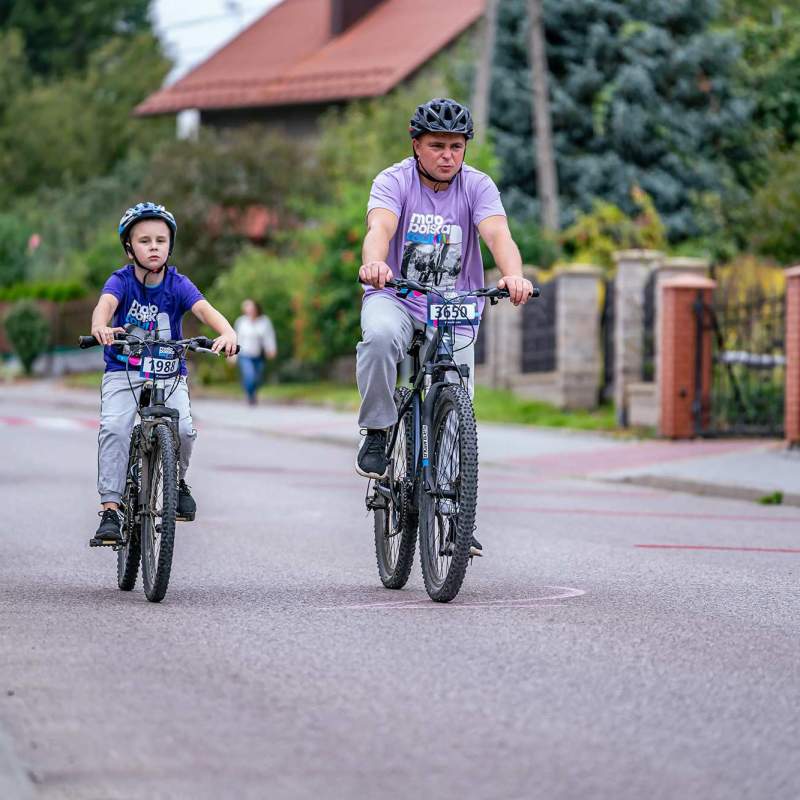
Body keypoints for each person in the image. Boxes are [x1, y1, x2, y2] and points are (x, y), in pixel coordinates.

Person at [355, 98, 535, 555]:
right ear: (416, 145)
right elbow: (380, 227)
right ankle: (378, 430)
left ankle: (456, 516)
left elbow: (499, 235)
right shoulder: (393, 181)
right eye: (437, 145)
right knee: (376, 339)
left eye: (456, 146)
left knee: (459, 411)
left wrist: (512, 274)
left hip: (453, 305)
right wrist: (374, 264)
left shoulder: (477, 186)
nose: (447, 155)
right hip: (395, 296)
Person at [89, 202, 238, 546]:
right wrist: (100, 326)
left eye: (161, 240)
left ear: (170, 245)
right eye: (144, 241)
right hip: (124, 371)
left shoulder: (178, 284)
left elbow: (205, 311)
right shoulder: (121, 281)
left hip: (169, 374)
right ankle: (111, 509)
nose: (153, 246)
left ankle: (177, 482)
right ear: (129, 248)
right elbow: (106, 305)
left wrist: (227, 333)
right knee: (114, 428)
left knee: (185, 430)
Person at [233, 299, 277, 405]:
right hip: (244, 354)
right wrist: (232, 355)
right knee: (249, 375)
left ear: (256, 308)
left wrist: (271, 349)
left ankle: (253, 393)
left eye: (250, 307)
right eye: (246, 308)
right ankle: (250, 395)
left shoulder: (264, 321)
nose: (248, 310)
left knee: (257, 378)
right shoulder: (241, 321)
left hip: (259, 354)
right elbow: (236, 338)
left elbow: (269, 336)